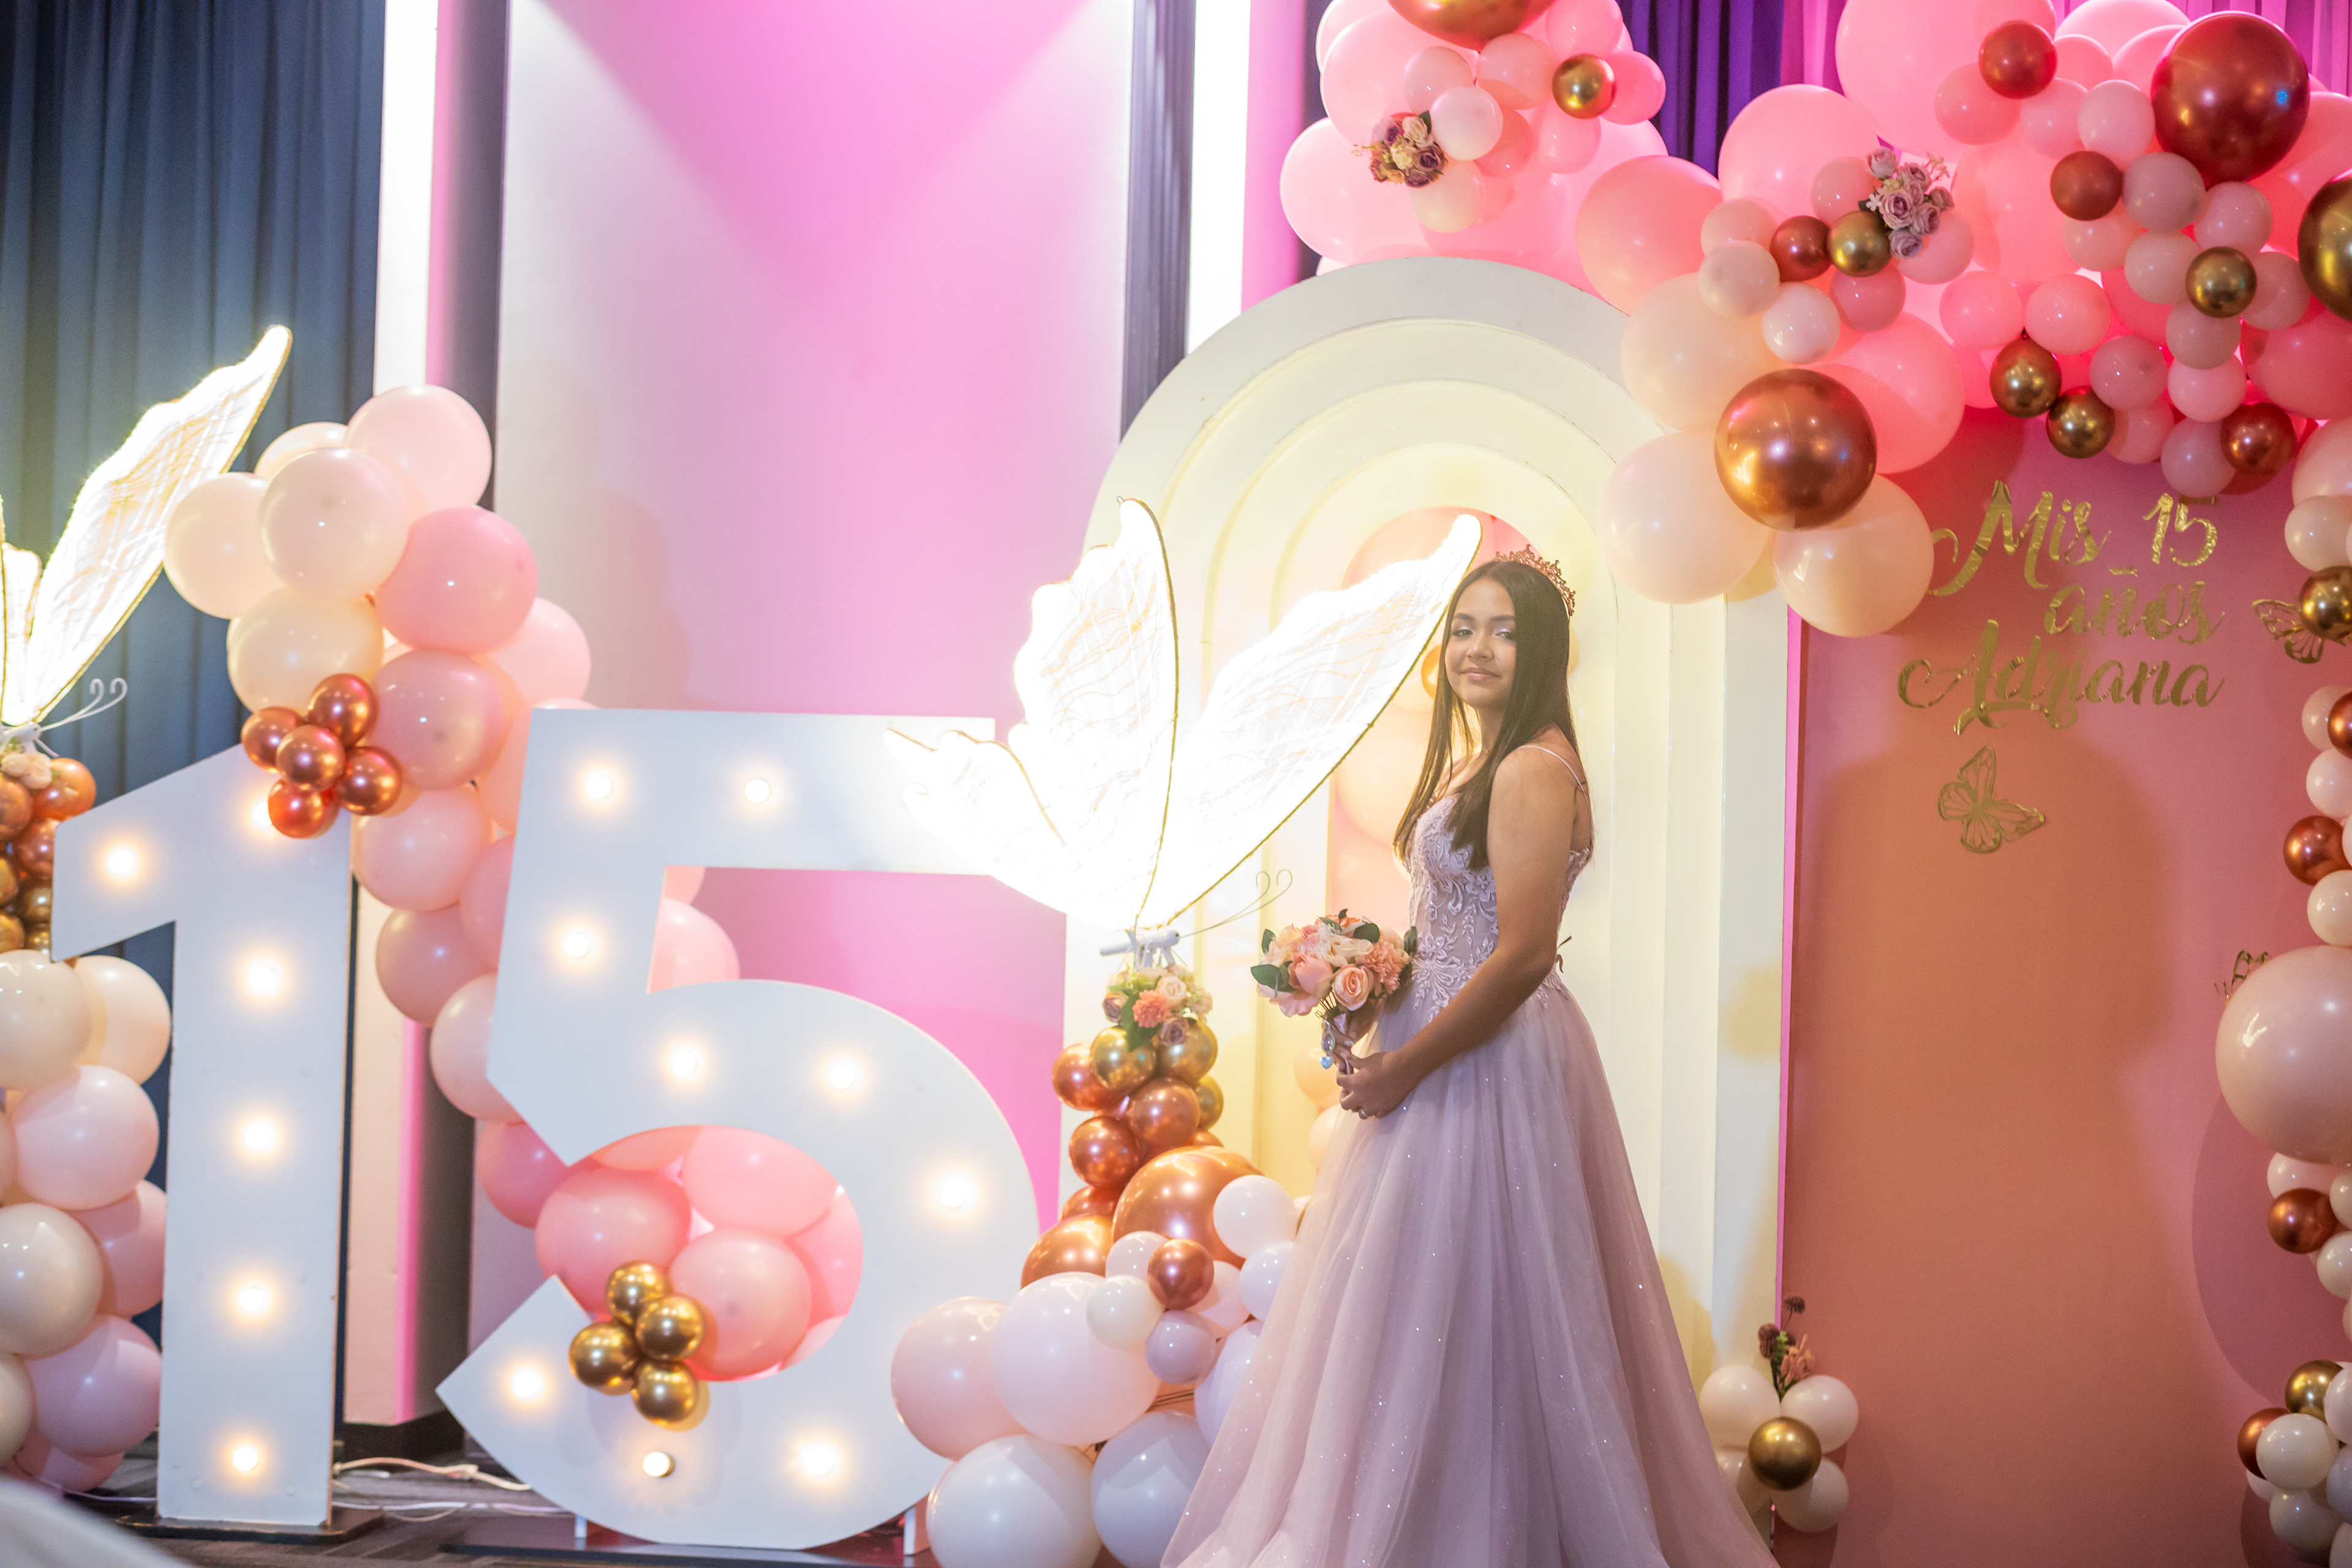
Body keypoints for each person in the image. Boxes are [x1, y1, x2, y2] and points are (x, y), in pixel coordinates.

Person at [1163, 552, 1776, 1567]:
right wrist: (1370, 977)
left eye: (1504, 631)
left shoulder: (1532, 767)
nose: (1476, 649)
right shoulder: (1482, 761)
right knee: (1427, 1299)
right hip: (1447, 1036)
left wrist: (1407, 1064)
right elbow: (1456, 927)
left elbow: (1523, 953)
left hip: (1489, 1055)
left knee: (1490, 1296)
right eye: (1463, 628)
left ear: (1543, 653)